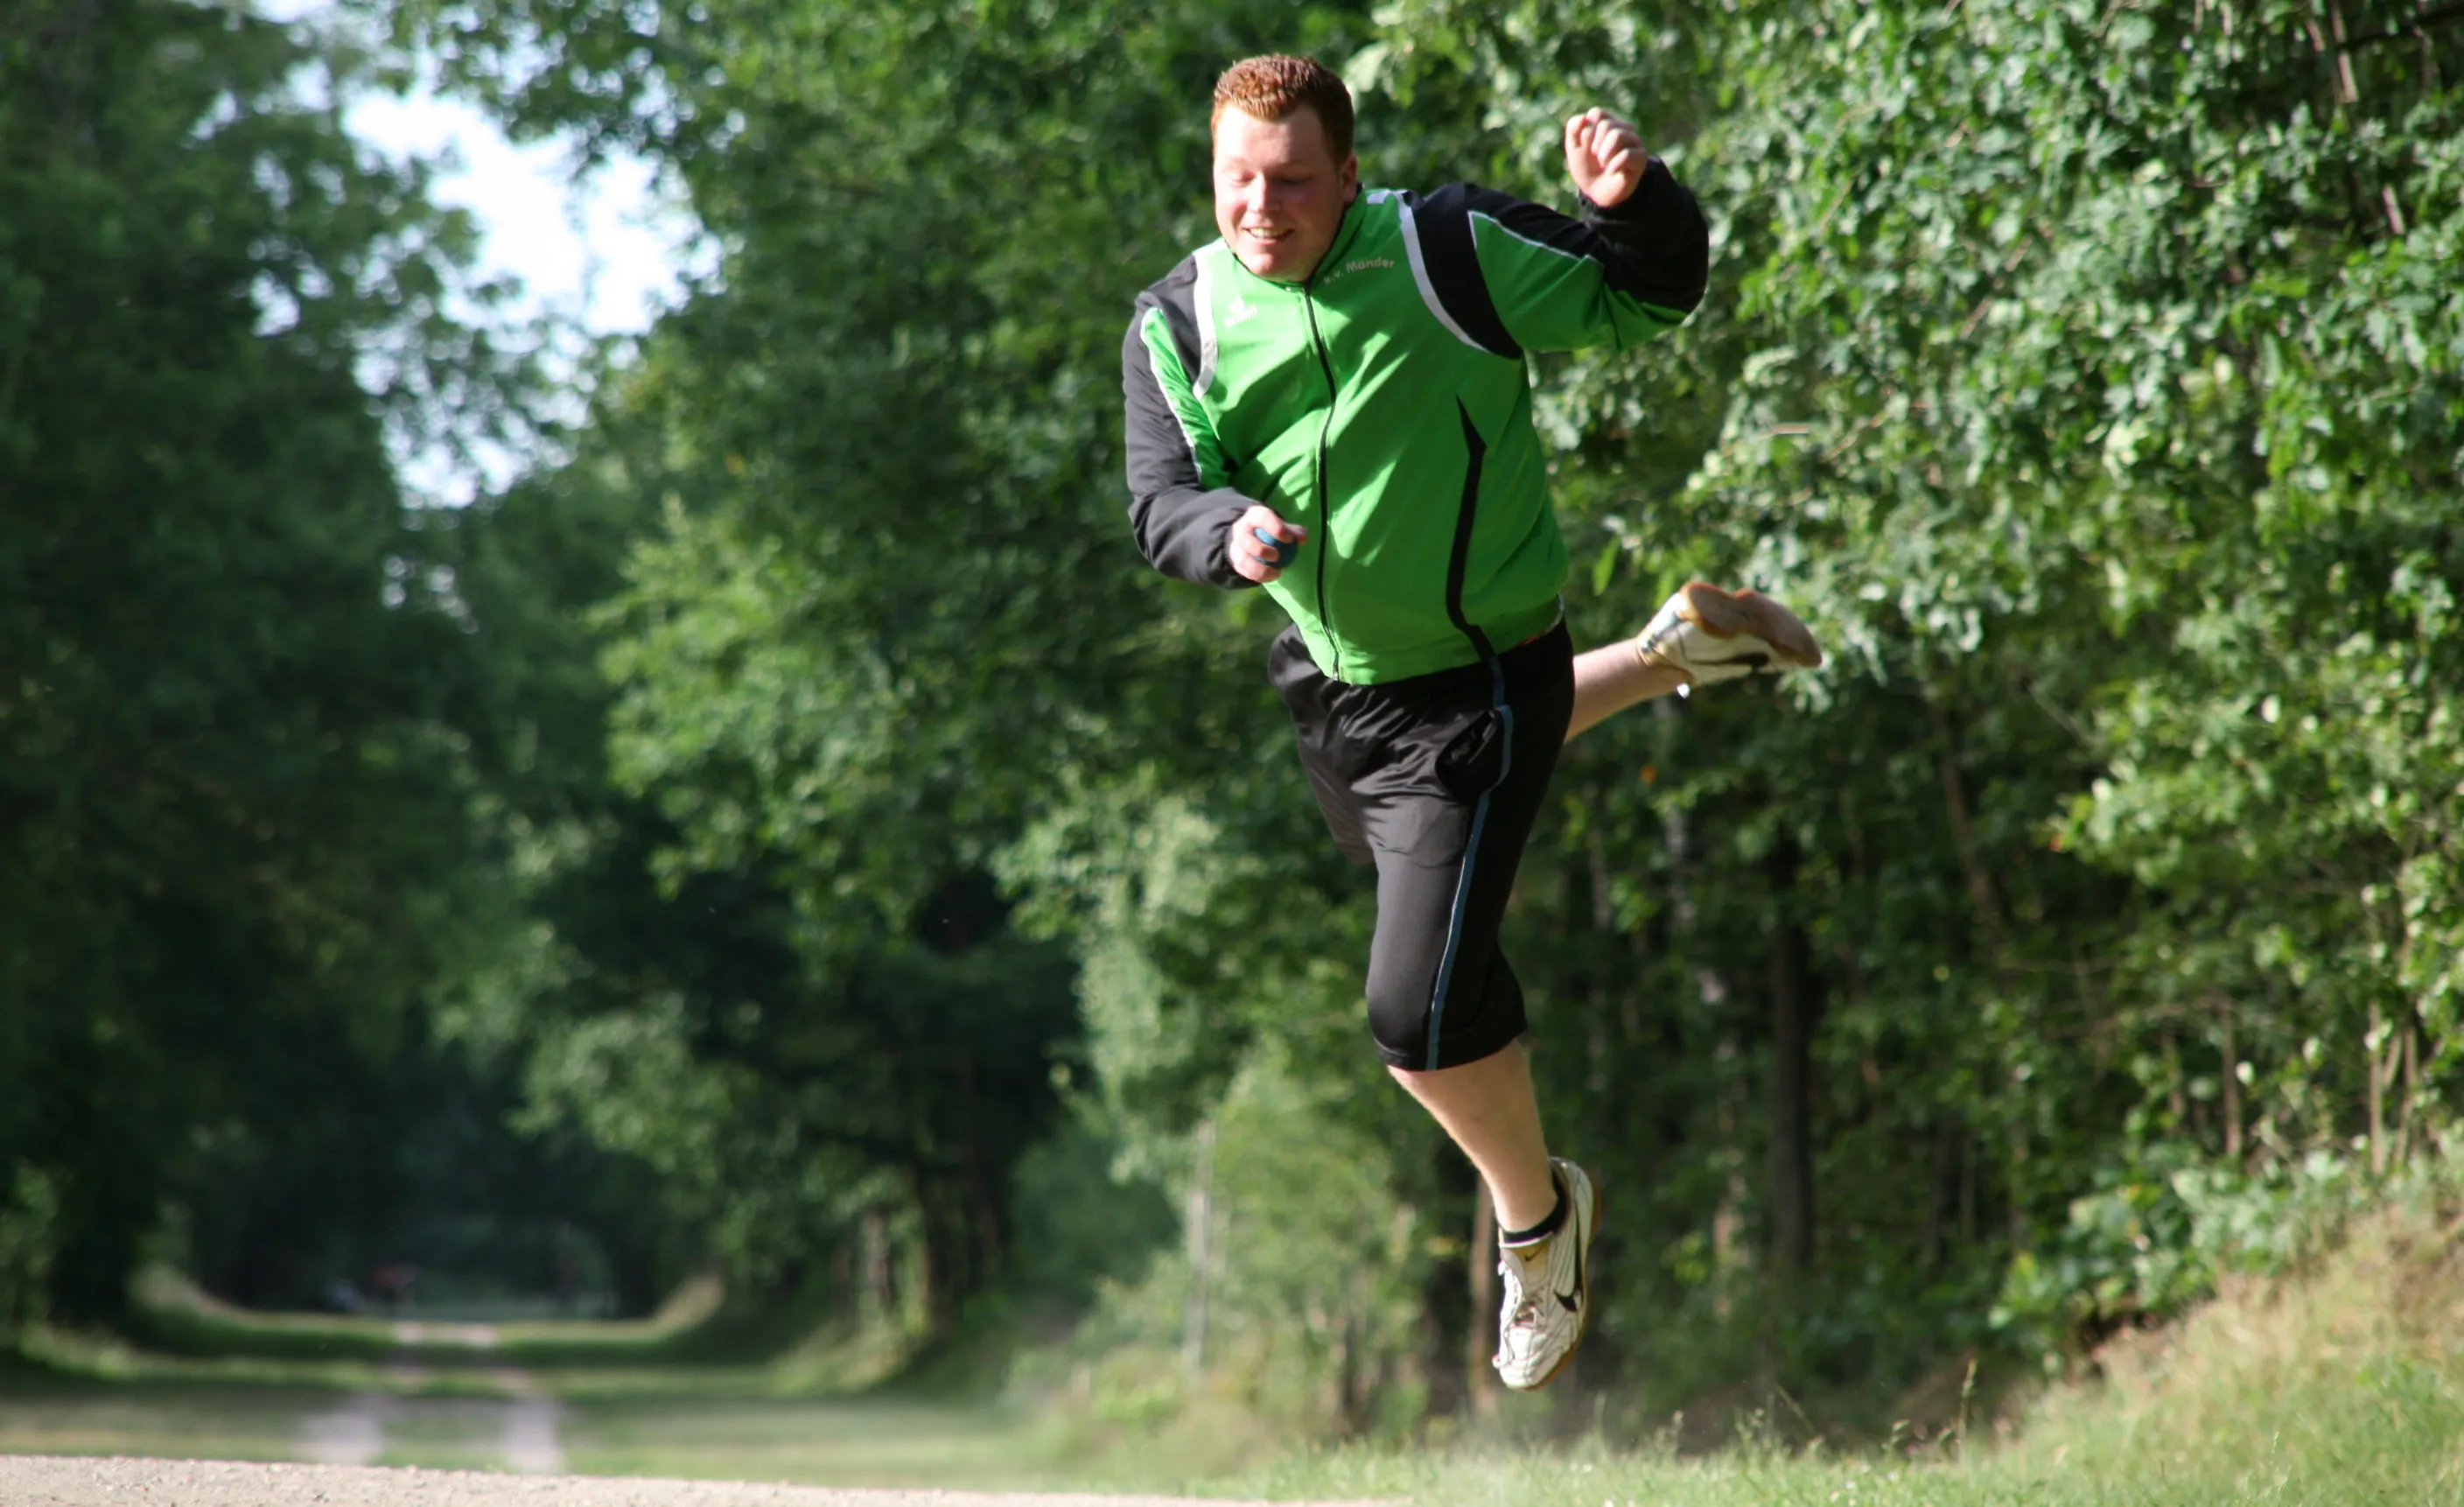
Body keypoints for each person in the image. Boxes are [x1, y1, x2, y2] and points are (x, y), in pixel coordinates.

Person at [1119, 55, 1821, 1391]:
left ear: (1351, 176)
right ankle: (1680, 651)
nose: (1261, 208)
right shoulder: (1178, 319)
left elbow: (1649, 291)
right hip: (1337, 691)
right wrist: (1230, 531)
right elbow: (1162, 500)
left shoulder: (1444, 253)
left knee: (1420, 1011)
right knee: (1426, 838)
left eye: (1293, 181)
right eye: (1237, 182)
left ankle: (1540, 1223)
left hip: (1490, 666)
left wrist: (1639, 202)